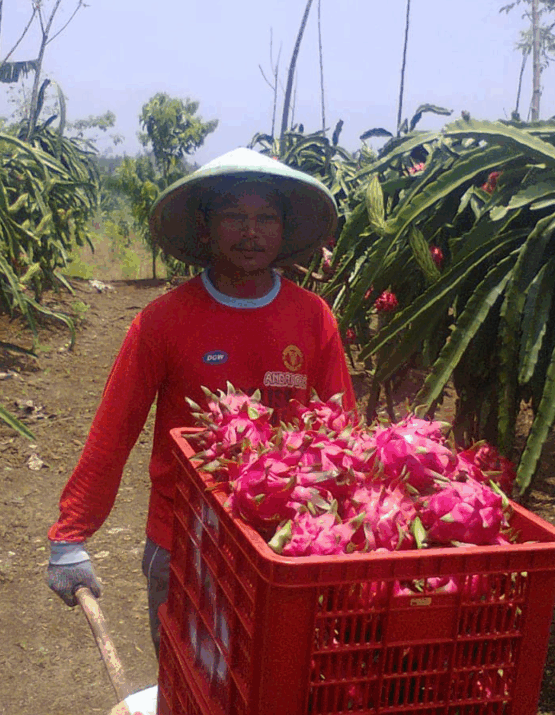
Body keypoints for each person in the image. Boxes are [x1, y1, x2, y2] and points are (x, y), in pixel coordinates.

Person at [45, 147, 356, 647]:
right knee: (188, 682)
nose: (250, 231)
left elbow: (342, 432)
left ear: (282, 230)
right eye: (234, 217)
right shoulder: (163, 321)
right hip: (185, 540)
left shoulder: (313, 317)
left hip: (287, 545)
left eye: (265, 218)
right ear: (206, 229)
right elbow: (113, 432)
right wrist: (70, 535)